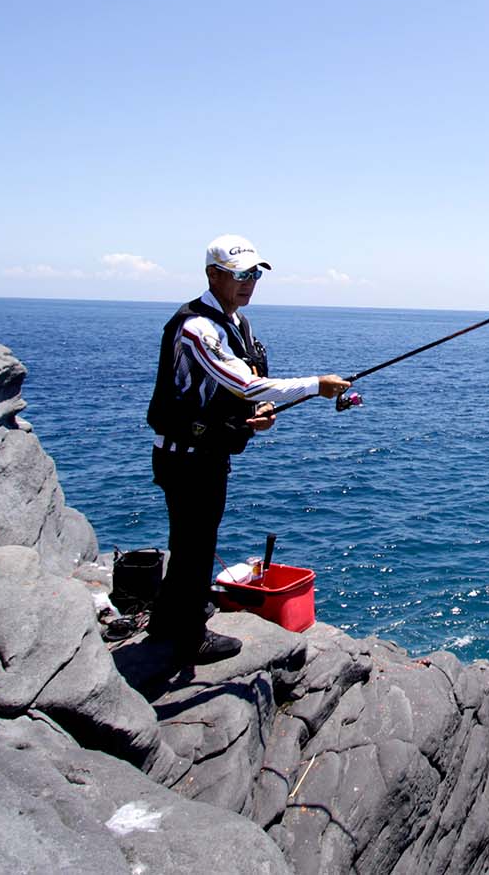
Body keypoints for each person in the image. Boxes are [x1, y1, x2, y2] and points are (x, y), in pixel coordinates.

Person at [145, 234, 349, 665]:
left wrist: (261, 414)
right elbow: (244, 383)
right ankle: (188, 636)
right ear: (212, 275)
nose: (249, 283)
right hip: (185, 458)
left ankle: (168, 619)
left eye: (254, 274)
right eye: (239, 275)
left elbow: (245, 395)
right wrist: (317, 387)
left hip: (208, 452)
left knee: (194, 541)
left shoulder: (237, 323)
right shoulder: (196, 327)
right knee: (194, 545)